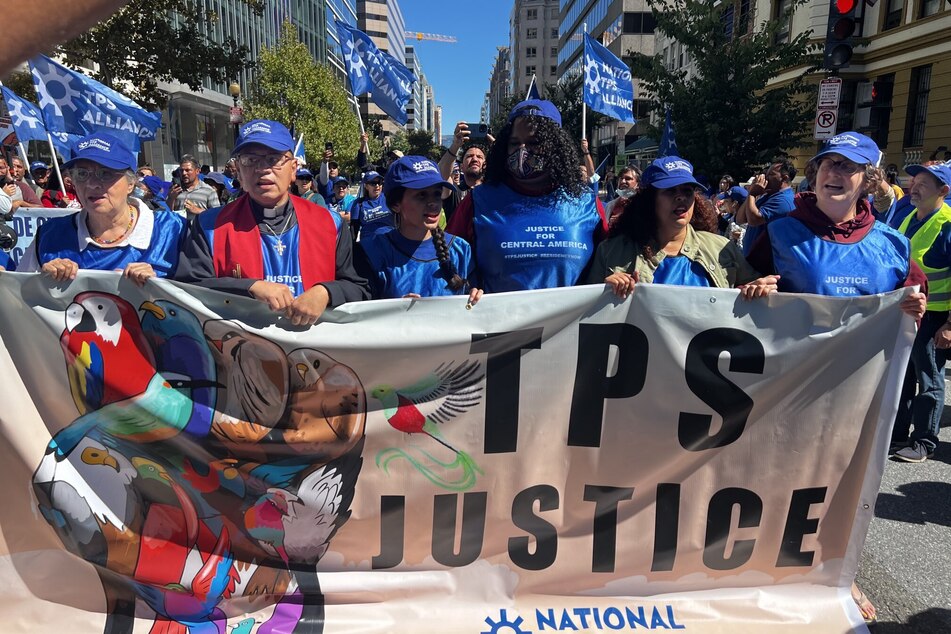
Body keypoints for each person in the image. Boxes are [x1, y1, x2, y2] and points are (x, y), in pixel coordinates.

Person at [744, 131, 928, 626]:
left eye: (848, 168)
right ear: (816, 173)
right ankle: (761, 565)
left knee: (844, 486)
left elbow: (913, 296)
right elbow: (736, 294)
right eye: (828, 164)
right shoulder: (781, 232)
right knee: (779, 480)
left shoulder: (892, 243)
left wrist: (914, 305)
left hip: (857, 394)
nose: (834, 174)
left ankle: (839, 575)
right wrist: (757, 286)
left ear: (867, 180)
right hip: (788, 391)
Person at [174, 119, 370, 326]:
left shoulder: (331, 223)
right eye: (250, 160)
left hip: (315, 351)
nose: (263, 169)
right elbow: (188, 288)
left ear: (293, 169)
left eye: (274, 159)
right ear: (238, 171)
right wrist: (249, 287)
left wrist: (326, 292)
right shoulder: (209, 226)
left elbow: (359, 287)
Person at [446, 99, 607, 292]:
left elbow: (608, 265)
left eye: (534, 142)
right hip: (497, 321)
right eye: (514, 143)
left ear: (556, 146)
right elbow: (446, 264)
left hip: (571, 322)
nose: (522, 150)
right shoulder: (478, 201)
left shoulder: (587, 204)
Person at [586, 156, 773, 297]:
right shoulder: (611, 251)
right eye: (670, 190)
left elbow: (756, 294)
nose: (681, 197)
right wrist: (602, 292)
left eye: (687, 190)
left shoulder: (722, 249)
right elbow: (584, 315)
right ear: (650, 200)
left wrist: (759, 288)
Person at [16, 131, 186, 285]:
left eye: (105, 174)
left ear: (130, 183)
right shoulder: (50, 237)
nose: (92, 184)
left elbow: (201, 302)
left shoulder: (174, 231)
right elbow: (16, 301)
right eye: (82, 174)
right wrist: (40, 282)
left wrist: (160, 288)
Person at [354, 156, 481, 305]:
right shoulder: (371, 252)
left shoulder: (462, 250)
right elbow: (360, 316)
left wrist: (477, 295)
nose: (433, 203)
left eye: (437, 194)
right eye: (421, 195)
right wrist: (391, 310)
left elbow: (475, 309)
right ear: (395, 204)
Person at [890, 161, 951, 463]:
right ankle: (898, 435)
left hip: (936, 315)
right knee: (903, 375)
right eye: (914, 181)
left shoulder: (948, 224)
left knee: (929, 378)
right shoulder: (909, 216)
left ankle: (924, 441)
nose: (914, 187)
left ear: (943, 191)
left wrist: (950, 325)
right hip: (909, 312)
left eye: (924, 184)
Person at [735, 159, 797, 256]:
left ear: (784, 179)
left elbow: (754, 220)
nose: (766, 178)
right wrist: (751, 194)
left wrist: (752, 194)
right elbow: (740, 219)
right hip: (751, 259)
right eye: (766, 174)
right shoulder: (768, 195)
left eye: (771, 175)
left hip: (765, 265)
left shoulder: (784, 200)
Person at [349, 170, 392, 241]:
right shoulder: (359, 203)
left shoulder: (389, 199)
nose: (377, 186)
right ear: (366, 186)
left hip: (389, 241)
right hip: (369, 245)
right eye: (373, 183)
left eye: (379, 182)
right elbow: (353, 231)